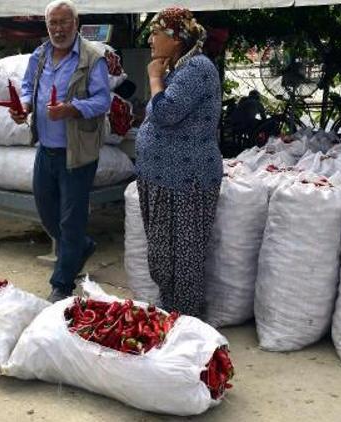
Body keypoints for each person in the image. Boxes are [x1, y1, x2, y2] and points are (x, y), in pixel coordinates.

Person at [10, 0, 110, 303]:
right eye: (53, 23)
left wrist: (71, 109)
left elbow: (102, 101)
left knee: (71, 219)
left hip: (76, 152)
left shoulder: (93, 58)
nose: (58, 29)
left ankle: (62, 283)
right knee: (47, 212)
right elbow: (28, 87)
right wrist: (24, 106)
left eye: (64, 22)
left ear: (76, 24)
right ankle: (81, 246)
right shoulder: (40, 55)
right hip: (46, 148)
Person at [135, 7, 222, 317]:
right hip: (160, 177)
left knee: (183, 256)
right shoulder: (178, 69)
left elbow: (167, 112)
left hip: (187, 180)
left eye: (156, 33)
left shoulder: (198, 68)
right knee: (162, 254)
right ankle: (170, 312)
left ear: (175, 38)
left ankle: (185, 322)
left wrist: (154, 78)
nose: (150, 39)